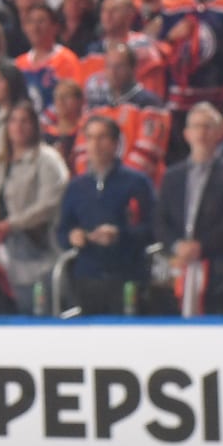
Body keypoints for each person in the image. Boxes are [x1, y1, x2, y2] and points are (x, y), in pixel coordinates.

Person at [0, 101, 69, 312]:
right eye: (13, 121)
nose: (18, 126)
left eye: (25, 121)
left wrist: (11, 225)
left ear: (35, 125)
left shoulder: (47, 159)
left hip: (36, 254)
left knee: (34, 311)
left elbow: (50, 203)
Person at [56, 114, 156, 315]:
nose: (95, 144)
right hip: (87, 277)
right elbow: (61, 230)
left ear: (115, 143)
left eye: (102, 137)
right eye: (90, 138)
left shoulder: (137, 182)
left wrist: (120, 235)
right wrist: (73, 236)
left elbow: (153, 228)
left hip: (128, 274)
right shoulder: (76, 186)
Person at [154, 103, 223, 315]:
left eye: (207, 126)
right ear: (187, 134)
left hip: (215, 268)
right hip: (176, 267)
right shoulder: (171, 177)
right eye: (196, 127)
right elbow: (160, 220)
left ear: (219, 133)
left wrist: (200, 247)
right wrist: (178, 246)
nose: (201, 133)